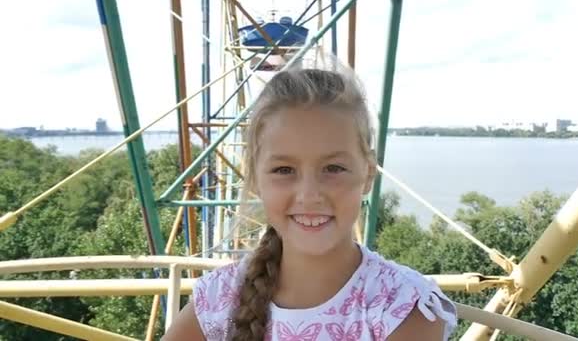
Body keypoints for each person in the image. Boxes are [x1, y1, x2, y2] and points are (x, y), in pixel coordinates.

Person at [163, 62, 457, 340]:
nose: (309, 195)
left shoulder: (402, 306)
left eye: (333, 168)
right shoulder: (218, 298)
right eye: (284, 170)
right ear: (255, 180)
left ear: (368, 174)